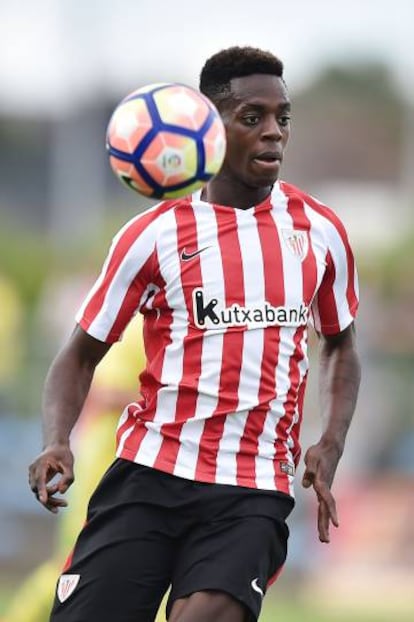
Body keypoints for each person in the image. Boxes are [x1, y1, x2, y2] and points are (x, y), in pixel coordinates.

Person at [29, 46, 361, 622]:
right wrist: (57, 438)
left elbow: (340, 345)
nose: (273, 134)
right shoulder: (151, 236)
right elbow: (80, 354)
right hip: (148, 476)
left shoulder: (320, 232)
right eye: (252, 117)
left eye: (282, 118)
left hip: (251, 487)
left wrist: (330, 442)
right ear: (209, 127)